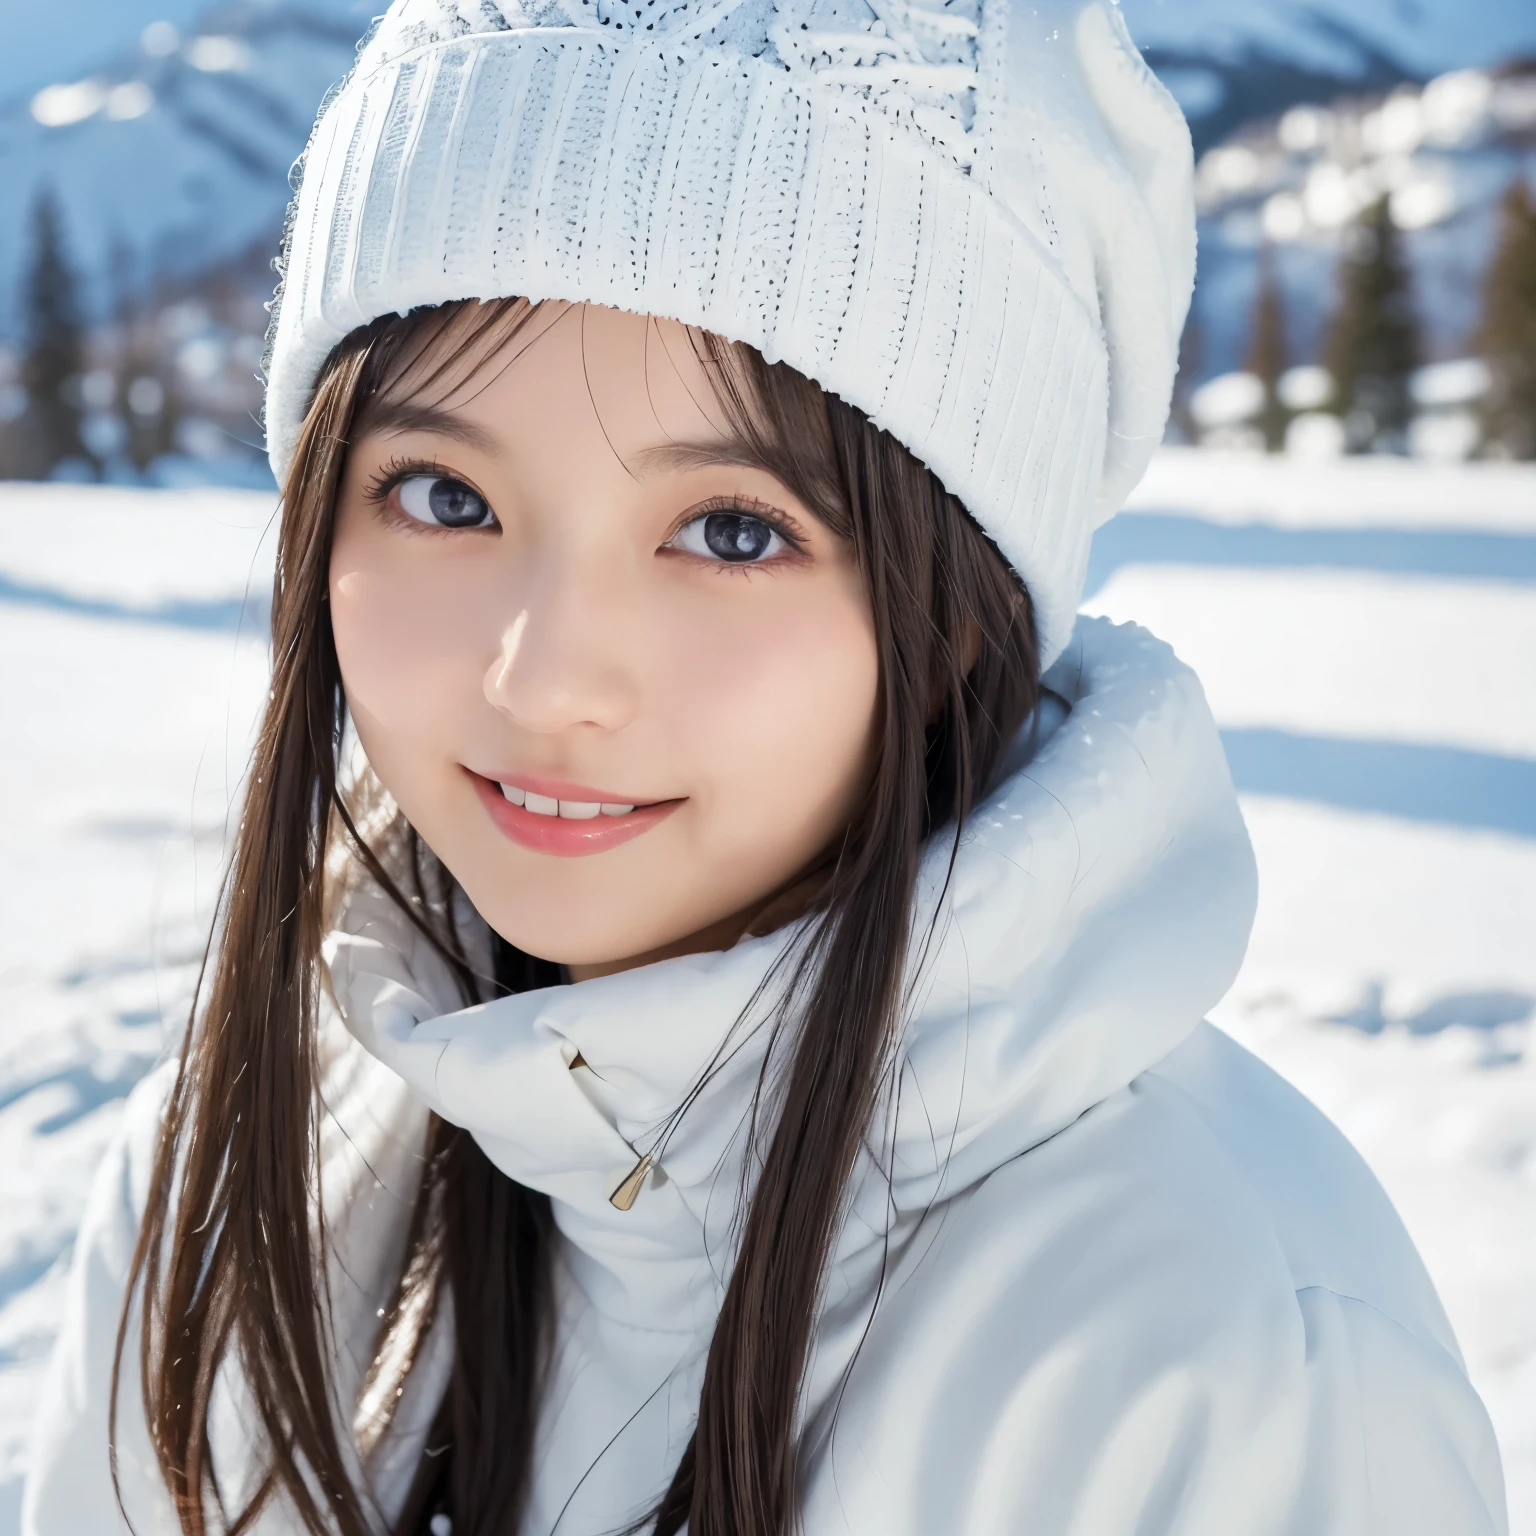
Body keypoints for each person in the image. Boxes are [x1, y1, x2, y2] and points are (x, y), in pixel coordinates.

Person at [22, 0, 1507, 1532]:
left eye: (734, 531)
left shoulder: (1225, 1373)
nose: (543, 679)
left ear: (953, 616)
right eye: (443, 496)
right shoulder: (234, 1194)